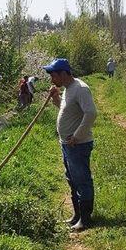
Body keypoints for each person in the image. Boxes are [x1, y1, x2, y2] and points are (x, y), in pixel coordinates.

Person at [43, 58, 98, 231]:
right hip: (67, 144)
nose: (52, 80)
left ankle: (85, 219)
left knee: (82, 180)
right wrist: (56, 98)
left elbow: (91, 113)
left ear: (63, 74)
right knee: (72, 179)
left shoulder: (80, 89)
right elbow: (66, 111)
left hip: (78, 145)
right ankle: (77, 215)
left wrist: (76, 136)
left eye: (53, 76)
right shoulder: (68, 90)